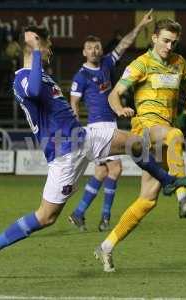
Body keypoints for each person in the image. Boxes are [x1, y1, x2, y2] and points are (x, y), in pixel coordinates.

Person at [0, 26, 186, 279]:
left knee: (135, 143)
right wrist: (37, 51)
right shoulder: (23, 77)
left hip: (84, 138)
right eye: (47, 46)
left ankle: (169, 182)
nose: (49, 50)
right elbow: (34, 91)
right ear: (37, 48)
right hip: (64, 154)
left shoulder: (43, 76)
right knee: (46, 217)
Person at [94, 18, 186, 272]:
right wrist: (119, 109)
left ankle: (106, 246)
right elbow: (113, 93)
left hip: (164, 133)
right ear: (154, 38)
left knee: (148, 199)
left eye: (173, 42)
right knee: (175, 135)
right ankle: (183, 198)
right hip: (145, 129)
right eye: (165, 40)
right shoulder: (141, 64)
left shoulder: (178, 63)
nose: (169, 46)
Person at [68, 10, 153, 232]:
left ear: (100, 49)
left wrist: (141, 25)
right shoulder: (81, 76)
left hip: (108, 125)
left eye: (97, 47)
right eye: (90, 48)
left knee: (102, 172)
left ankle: (78, 214)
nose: (94, 50)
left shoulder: (106, 63)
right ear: (84, 52)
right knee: (115, 169)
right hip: (99, 127)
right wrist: (75, 121)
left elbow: (124, 44)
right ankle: (105, 218)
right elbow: (74, 102)